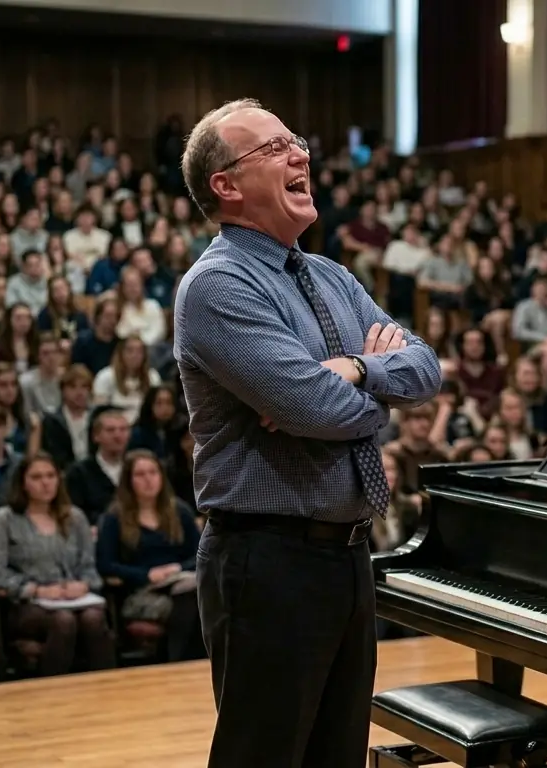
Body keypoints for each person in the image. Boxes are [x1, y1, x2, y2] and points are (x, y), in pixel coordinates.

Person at [173, 98, 442, 768]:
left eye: (294, 140)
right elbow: (317, 408)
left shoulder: (331, 275)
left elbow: (426, 369)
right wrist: (368, 394)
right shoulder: (217, 285)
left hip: (348, 554)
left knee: (338, 755)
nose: (300, 153)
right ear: (226, 185)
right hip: (267, 558)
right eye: (273, 148)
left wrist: (355, 370)